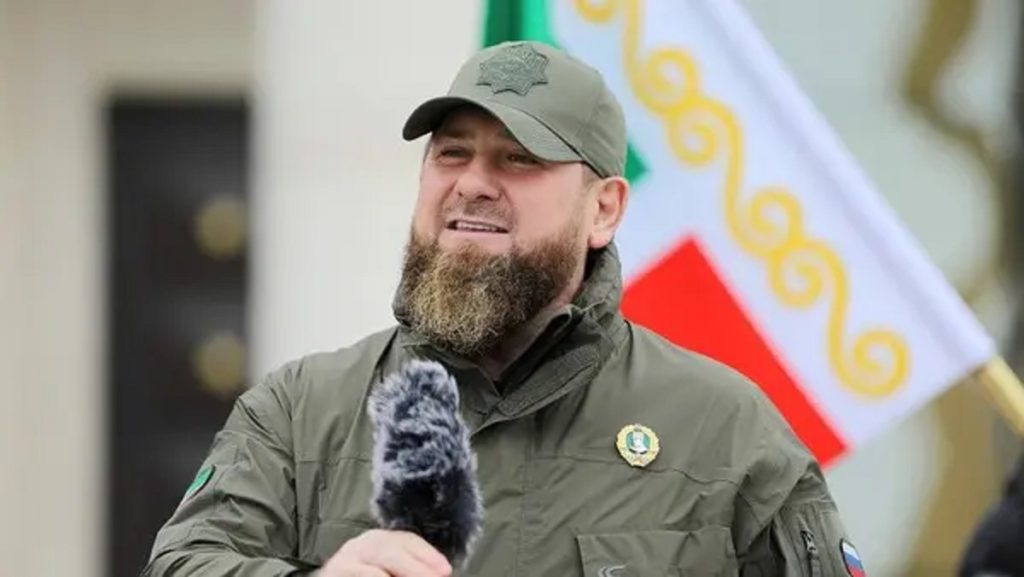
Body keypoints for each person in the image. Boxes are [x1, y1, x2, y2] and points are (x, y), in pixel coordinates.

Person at [143, 40, 862, 577]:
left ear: (604, 209)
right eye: (452, 153)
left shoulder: (726, 430)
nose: (473, 184)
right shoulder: (301, 411)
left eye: (519, 159)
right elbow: (185, 562)